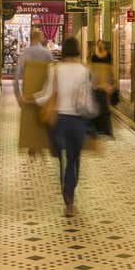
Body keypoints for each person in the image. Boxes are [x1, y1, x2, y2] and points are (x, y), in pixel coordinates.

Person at [33, 37, 93, 217]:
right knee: (75, 160)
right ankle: (70, 196)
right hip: (78, 122)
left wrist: (32, 99)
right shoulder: (85, 70)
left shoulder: (56, 70)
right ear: (77, 50)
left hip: (59, 121)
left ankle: (68, 198)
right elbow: (88, 99)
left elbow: (47, 95)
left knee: (64, 160)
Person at [13, 28, 54, 156]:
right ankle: (42, 143)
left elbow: (16, 77)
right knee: (43, 117)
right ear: (40, 38)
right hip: (43, 90)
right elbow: (53, 74)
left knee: (30, 118)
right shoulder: (47, 54)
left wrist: (18, 95)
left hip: (28, 92)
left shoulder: (24, 54)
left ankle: (32, 144)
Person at [90, 40, 115, 136]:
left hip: (106, 80)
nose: (100, 46)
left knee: (106, 104)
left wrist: (112, 81)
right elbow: (92, 69)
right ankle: (98, 126)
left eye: (102, 44)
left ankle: (106, 127)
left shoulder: (108, 55)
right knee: (97, 102)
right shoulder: (94, 56)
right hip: (97, 81)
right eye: (99, 44)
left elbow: (111, 68)